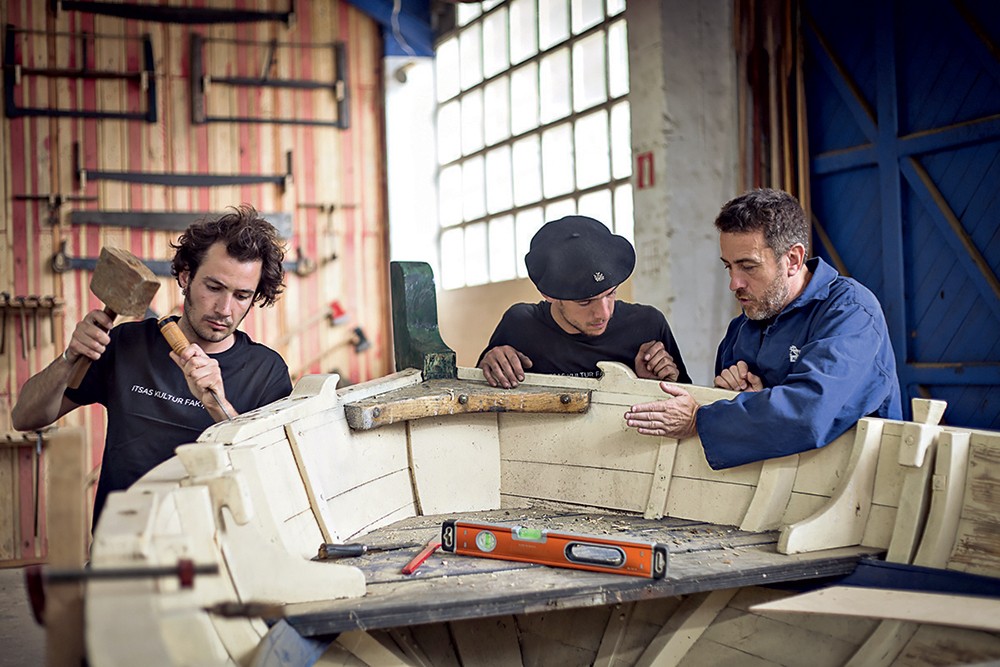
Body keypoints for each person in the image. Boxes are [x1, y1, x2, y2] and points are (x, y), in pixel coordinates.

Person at [11, 205, 293, 524]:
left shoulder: (267, 372)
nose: (225, 309)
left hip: (215, 554)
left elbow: (272, 480)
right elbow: (25, 417)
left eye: (242, 295)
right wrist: (69, 358)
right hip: (121, 548)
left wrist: (218, 404)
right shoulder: (127, 344)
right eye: (214, 288)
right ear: (186, 276)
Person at [624, 188, 901, 469]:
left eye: (748, 267)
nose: (734, 283)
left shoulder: (850, 312)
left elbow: (809, 413)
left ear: (792, 259)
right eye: (728, 267)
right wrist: (734, 397)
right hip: (772, 492)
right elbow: (734, 408)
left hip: (860, 491)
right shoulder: (740, 330)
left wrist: (700, 420)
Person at [478, 215, 690, 388]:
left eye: (610, 294)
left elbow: (686, 411)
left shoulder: (647, 325)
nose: (604, 313)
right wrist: (489, 365)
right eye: (585, 302)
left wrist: (654, 387)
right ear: (550, 295)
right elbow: (480, 402)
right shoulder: (520, 326)